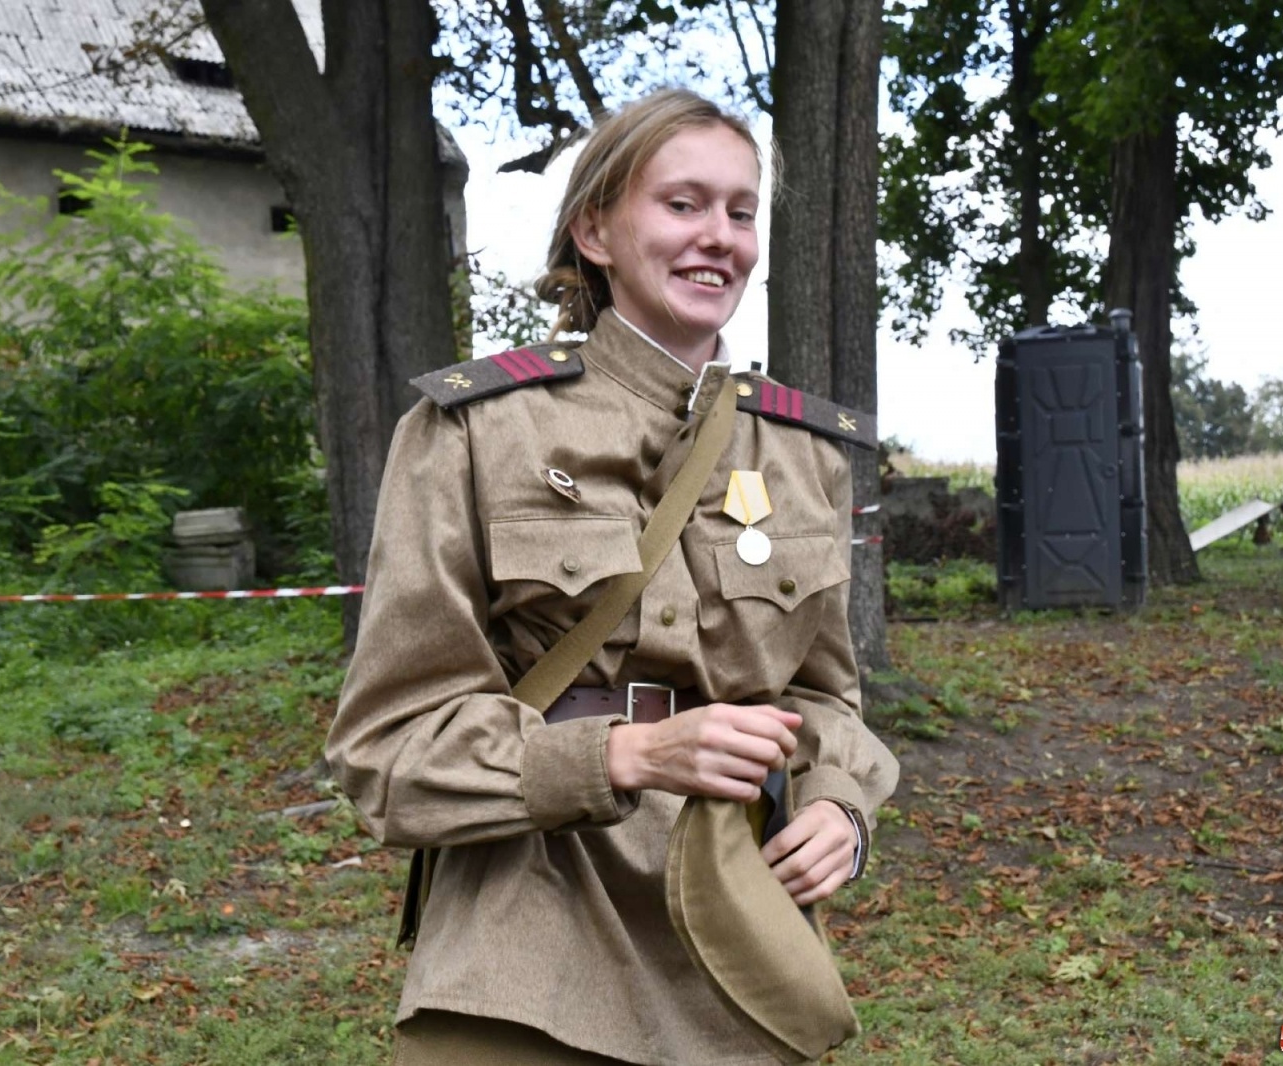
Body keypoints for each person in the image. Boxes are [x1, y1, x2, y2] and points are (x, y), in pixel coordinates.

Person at [326, 88, 899, 1065]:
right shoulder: (475, 428)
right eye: (681, 204)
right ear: (595, 229)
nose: (718, 236)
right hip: (524, 939)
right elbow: (387, 747)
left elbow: (822, 697)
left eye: (740, 209)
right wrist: (621, 757)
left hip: (734, 933)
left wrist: (838, 800)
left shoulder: (805, 452)